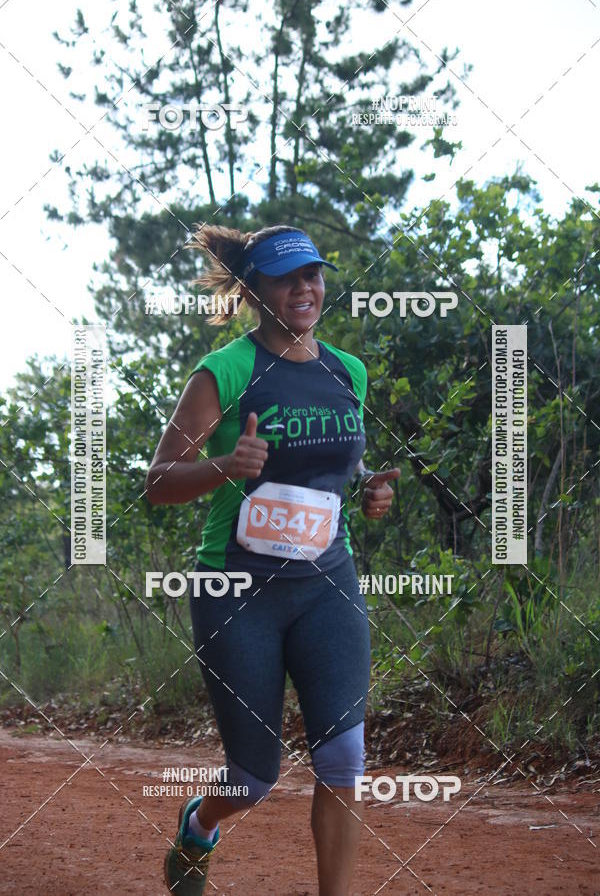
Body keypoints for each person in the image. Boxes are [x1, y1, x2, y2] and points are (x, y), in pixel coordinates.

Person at [146, 224, 399, 895]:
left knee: (344, 754)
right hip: (238, 590)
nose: (304, 288)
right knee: (254, 778)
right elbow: (159, 480)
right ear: (257, 290)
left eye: (312, 274)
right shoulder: (224, 372)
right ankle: (200, 823)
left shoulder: (348, 371)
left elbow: (337, 463)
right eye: (286, 278)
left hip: (327, 583)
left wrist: (369, 490)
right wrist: (226, 466)